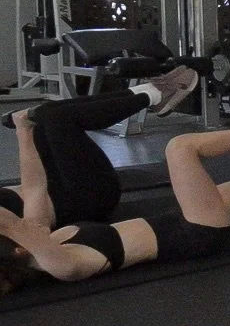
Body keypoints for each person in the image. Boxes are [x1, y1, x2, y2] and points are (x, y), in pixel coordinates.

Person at [0, 96, 230, 284]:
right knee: (179, 147)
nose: (18, 220)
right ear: (17, 246)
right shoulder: (59, 263)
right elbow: (18, 230)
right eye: (13, 227)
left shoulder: (40, 232)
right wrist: (12, 227)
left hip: (180, 220)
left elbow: (35, 184)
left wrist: (24, 131)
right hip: (194, 232)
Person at [0, 66, 201, 229]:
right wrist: (23, 133)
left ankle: (145, 92)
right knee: (54, 118)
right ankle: (154, 94)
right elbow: (36, 221)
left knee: (42, 113)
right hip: (87, 198)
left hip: (57, 183)